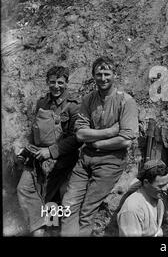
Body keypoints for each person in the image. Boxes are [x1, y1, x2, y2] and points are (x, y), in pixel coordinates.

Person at [60, 56, 138, 236]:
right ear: (93, 76)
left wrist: (95, 142)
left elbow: (125, 139)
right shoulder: (88, 99)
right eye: (99, 74)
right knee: (67, 205)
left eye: (107, 74)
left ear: (114, 75)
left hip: (111, 162)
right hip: (85, 159)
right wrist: (111, 132)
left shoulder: (126, 101)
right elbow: (80, 133)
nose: (103, 78)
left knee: (87, 211)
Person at [16, 66, 82, 236]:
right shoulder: (42, 102)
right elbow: (35, 131)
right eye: (52, 82)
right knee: (24, 188)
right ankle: (38, 228)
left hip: (62, 161)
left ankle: (52, 230)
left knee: (53, 199)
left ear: (66, 83)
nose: (56, 86)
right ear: (47, 82)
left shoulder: (73, 107)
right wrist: (25, 152)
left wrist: (51, 152)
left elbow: (76, 139)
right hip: (37, 157)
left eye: (60, 82)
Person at [117, 159, 168, 237]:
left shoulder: (160, 197)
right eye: (161, 186)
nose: (165, 189)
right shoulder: (131, 209)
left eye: (167, 184)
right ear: (146, 183)